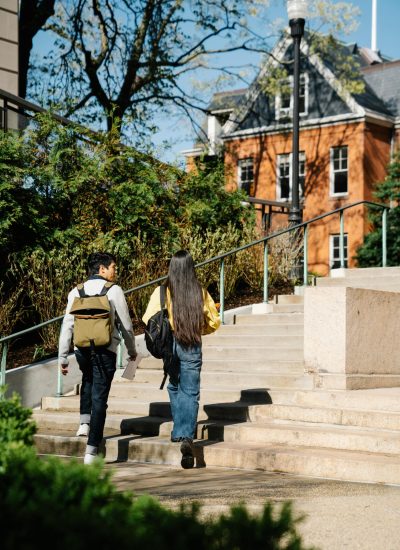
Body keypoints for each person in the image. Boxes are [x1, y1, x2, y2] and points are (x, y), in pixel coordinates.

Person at [142, 250, 220, 469]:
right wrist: (197, 328)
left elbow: (148, 319)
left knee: (175, 385)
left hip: (169, 345)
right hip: (191, 342)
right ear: (190, 267)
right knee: (191, 391)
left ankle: (180, 432)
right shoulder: (199, 291)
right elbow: (214, 322)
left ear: (172, 267)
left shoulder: (161, 291)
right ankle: (186, 435)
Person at [58, 252, 137, 465]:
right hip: (105, 350)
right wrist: (132, 350)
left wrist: (63, 356)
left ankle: (84, 423)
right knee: (100, 398)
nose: (115, 271)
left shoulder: (76, 291)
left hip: (81, 349)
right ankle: (91, 451)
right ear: (101, 269)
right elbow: (126, 325)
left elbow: (68, 324)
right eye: (113, 267)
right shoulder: (114, 291)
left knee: (88, 379)